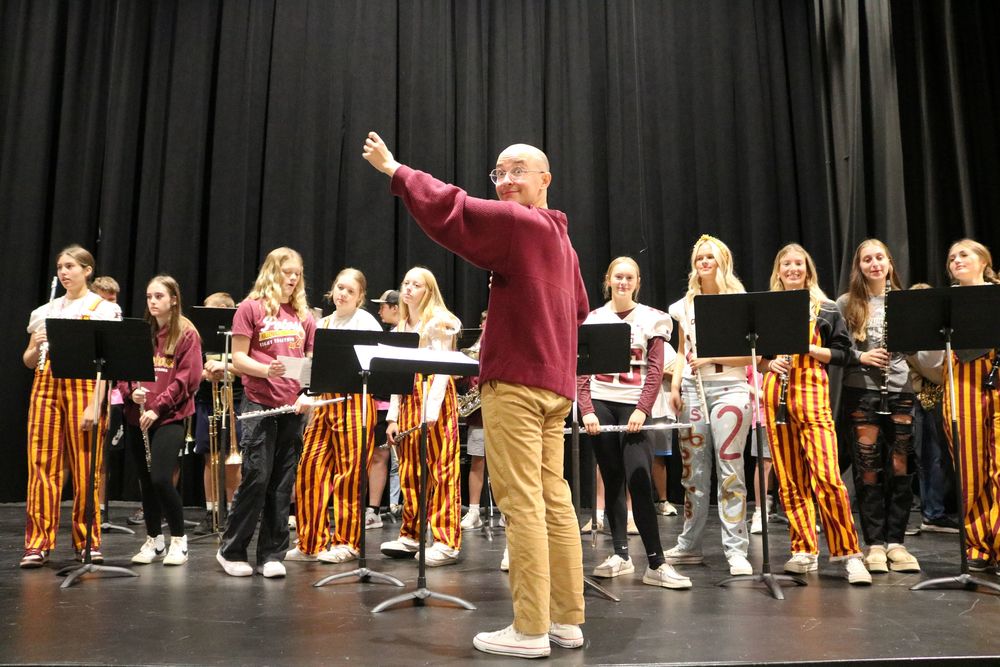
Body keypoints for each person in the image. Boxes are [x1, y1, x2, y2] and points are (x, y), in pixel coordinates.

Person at [363, 133, 588, 659]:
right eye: (499, 173)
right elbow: (576, 309)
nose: (506, 181)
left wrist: (396, 170)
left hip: (518, 385)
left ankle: (530, 629)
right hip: (555, 387)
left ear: (545, 181)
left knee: (522, 502)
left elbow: (454, 210)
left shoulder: (520, 223)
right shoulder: (564, 242)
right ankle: (566, 620)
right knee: (555, 500)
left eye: (518, 172)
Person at [578, 257, 690, 589]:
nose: (623, 282)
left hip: (634, 406)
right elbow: (582, 368)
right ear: (608, 280)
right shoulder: (593, 319)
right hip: (600, 402)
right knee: (611, 480)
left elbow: (655, 370)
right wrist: (586, 408)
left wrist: (643, 409)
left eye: (629, 277)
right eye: (618, 277)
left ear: (637, 281)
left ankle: (656, 563)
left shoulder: (653, 319)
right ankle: (621, 555)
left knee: (639, 478)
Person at [761, 244, 870, 584]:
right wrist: (768, 362)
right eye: (786, 264)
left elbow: (844, 353)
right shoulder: (766, 309)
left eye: (799, 264)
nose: (793, 269)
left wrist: (807, 348)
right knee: (790, 479)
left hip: (811, 394)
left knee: (826, 476)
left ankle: (849, 553)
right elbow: (754, 356)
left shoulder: (824, 309)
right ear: (778, 271)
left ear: (808, 270)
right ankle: (803, 549)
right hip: (774, 395)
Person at [216, 247, 316, 578]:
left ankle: (272, 553)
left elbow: (311, 363)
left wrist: (306, 394)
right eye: (287, 271)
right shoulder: (250, 308)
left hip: (292, 407)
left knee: (282, 482)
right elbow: (238, 359)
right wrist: (265, 370)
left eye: (297, 272)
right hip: (260, 403)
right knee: (257, 477)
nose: (293, 278)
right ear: (272, 272)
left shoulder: (304, 315)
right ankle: (231, 549)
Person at [21, 245, 122, 568]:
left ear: (86, 270)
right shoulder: (45, 310)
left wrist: (96, 405)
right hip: (46, 385)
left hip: (83, 385)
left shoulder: (101, 308)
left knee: (85, 468)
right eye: (60, 267)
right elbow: (28, 361)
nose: (64, 273)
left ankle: (87, 541)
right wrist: (34, 345)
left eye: (70, 267)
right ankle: (37, 543)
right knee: (41, 466)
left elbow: (107, 365)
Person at [665, 235, 754, 577]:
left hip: (730, 388)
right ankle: (690, 544)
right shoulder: (684, 305)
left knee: (731, 470)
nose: (703, 263)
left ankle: (736, 549)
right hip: (692, 389)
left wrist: (712, 356)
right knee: (693, 473)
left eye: (710, 258)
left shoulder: (738, 301)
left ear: (722, 261)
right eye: (699, 258)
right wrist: (674, 386)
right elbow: (681, 348)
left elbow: (753, 355)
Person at [287, 268, 383, 563]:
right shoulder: (323, 322)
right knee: (309, 470)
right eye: (339, 287)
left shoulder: (366, 322)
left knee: (349, 474)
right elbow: (314, 369)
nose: (342, 294)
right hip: (325, 403)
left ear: (360, 297)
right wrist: (305, 391)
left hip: (354, 402)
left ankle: (348, 542)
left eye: (350, 291)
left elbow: (372, 367)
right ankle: (310, 542)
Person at [837, 239, 920, 573]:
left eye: (879, 258)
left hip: (900, 391)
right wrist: (862, 356)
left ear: (889, 262)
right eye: (867, 259)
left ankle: (896, 542)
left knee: (901, 466)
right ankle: (873, 544)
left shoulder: (905, 301)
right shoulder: (846, 303)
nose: (874, 264)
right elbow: (838, 348)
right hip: (862, 392)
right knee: (868, 469)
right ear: (859, 266)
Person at [379, 267, 464, 567]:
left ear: (429, 290)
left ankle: (445, 541)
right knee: (410, 470)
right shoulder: (402, 325)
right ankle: (412, 535)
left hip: (434, 399)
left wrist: (431, 411)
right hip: (409, 395)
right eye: (406, 283)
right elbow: (396, 375)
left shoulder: (440, 321)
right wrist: (392, 417)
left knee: (441, 470)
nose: (409, 289)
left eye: (417, 284)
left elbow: (442, 370)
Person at [119, 275, 203, 566]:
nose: (153, 302)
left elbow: (187, 381)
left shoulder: (186, 334)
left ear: (173, 299)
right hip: (137, 417)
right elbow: (124, 373)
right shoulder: (140, 333)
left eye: (159, 296)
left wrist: (157, 407)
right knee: (146, 482)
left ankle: (179, 540)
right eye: (149, 297)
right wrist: (132, 393)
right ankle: (154, 540)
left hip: (169, 418)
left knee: (161, 478)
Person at [941, 239, 1000, 572]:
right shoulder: (946, 302)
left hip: (999, 379)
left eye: (964, 255)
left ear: (983, 260)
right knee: (971, 470)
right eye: (951, 258)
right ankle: (978, 545)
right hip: (963, 384)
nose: (956, 261)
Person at [905, 284, 959, 534]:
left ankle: (935, 510)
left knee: (937, 457)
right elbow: (933, 369)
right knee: (930, 456)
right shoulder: (914, 334)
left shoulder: (939, 329)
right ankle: (933, 513)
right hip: (926, 398)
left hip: (946, 396)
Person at [192, 292, 243, 536]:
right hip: (206, 399)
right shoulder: (199, 337)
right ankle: (211, 512)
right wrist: (205, 374)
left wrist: (227, 368)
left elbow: (248, 367)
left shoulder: (241, 333)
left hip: (236, 400)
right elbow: (191, 368)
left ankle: (234, 511)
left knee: (233, 462)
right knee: (209, 458)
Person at [366, 289, 402, 524]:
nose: (379, 311)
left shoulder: (408, 334)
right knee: (378, 455)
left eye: (383, 306)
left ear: (395, 308)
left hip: (400, 406)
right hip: (379, 403)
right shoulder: (384, 334)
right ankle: (373, 510)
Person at [460, 310, 488, 531]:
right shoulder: (473, 349)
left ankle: (508, 513)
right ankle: (474, 511)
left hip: (502, 413)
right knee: (477, 463)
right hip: (478, 415)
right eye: (485, 321)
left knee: (505, 467)